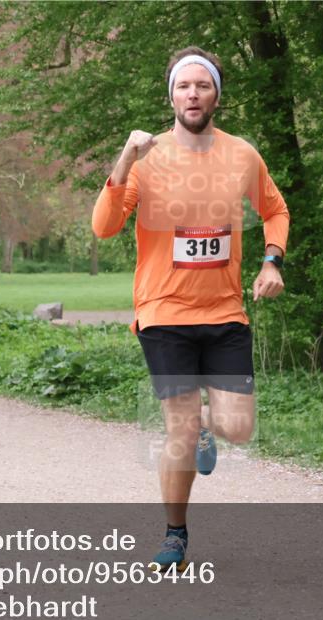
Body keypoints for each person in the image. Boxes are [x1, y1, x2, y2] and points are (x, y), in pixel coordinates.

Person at [91, 46, 290, 571]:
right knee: (177, 428)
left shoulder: (241, 155)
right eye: (184, 86)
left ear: (216, 95)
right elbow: (104, 226)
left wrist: (272, 261)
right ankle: (175, 534)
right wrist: (124, 158)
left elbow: (275, 209)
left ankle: (206, 425)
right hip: (163, 312)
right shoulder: (146, 156)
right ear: (171, 95)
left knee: (237, 427)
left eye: (202, 85)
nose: (193, 94)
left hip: (225, 312)